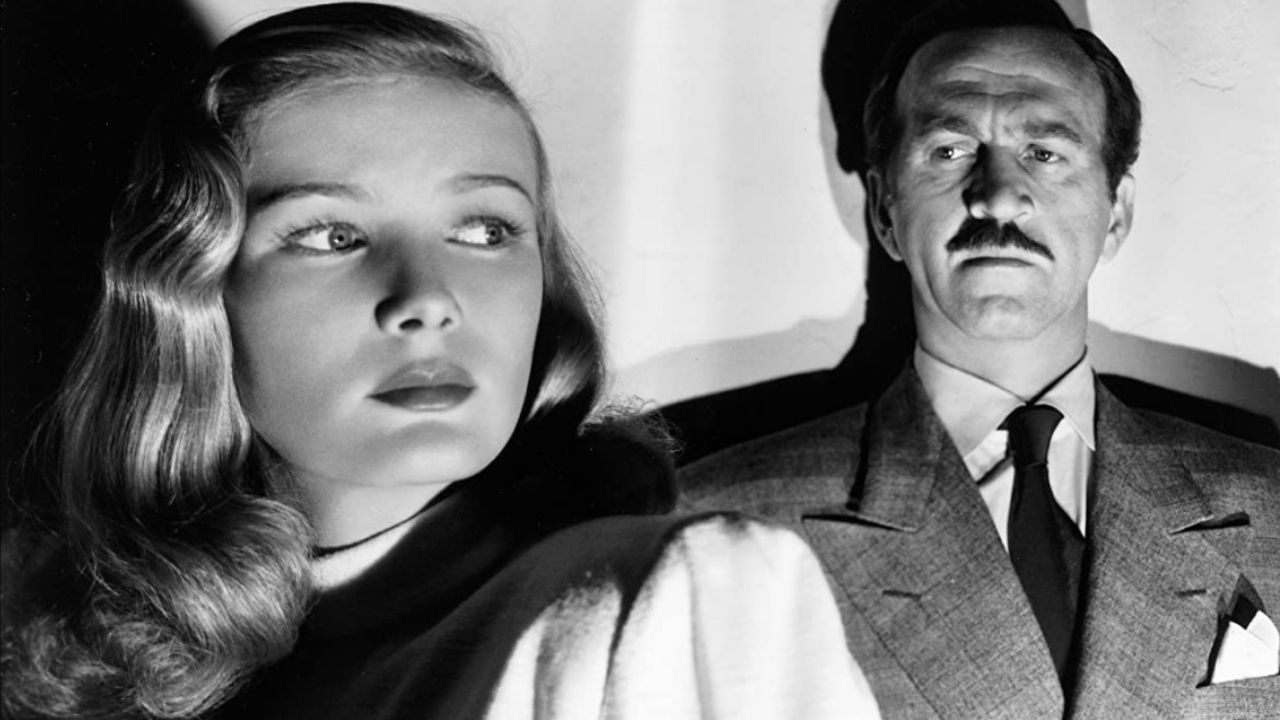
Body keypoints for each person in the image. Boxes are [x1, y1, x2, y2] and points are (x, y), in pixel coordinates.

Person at [0, 5, 881, 718]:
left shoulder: (663, 603)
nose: (427, 297)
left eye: (485, 229)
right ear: (195, 295)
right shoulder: (91, 663)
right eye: (331, 235)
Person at [681, 1, 1280, 717]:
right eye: (950, 150)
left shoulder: (1271, 507)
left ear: (1116, 212)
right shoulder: (713, 530)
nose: (998, 196)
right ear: (885, 210)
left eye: (1045, 151)